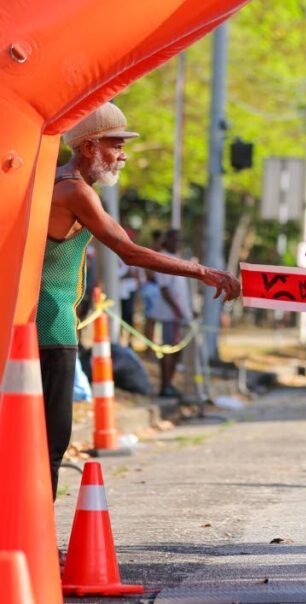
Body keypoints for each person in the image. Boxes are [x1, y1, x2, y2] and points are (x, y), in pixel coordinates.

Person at [36, 102, 241, 499]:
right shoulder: (74, 190)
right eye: (115, 145)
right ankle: (39, 545)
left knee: (44, 439)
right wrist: (201, 272)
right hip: (51, 326)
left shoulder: (64, 183)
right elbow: (128, 251)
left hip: (48, 321)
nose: (123, 154)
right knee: (51, 442)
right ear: (89, 146)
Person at [148, 229, 194, 399]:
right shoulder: (164, 258)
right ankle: (165, 385)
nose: (177, 243)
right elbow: (165, 289)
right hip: (170, 315)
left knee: (177, 351)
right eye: (174, 240)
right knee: (169, 349)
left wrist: (188, 309)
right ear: (167, 241)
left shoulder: (177, 258)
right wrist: (177, 310)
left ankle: (170, 384)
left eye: (179, 240)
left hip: (180, 314)